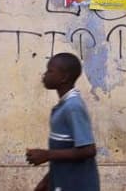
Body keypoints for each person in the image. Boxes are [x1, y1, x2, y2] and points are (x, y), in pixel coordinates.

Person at [26, 53, 100, 191]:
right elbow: (63, 152)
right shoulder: (63, 106)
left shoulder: (73, 107)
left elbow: (88, 150)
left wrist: (46, 155)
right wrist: (46, 181)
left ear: (64, 77)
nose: (45, 75)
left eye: (50, 71)